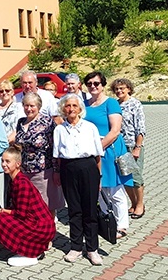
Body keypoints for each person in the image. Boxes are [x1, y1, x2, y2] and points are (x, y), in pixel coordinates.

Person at [54, 94, 104, 265]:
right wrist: (58, 173)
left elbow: (98, 155)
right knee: (74, 210)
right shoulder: (59, 129)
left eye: (74, 105)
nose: (71, 109)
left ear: (80, 108)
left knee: (90, 210)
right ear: (63, 109)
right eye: (68, 106)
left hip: (89, 168)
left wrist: (99, 177)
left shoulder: (90, 128)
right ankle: (75, 247)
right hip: (68, 169)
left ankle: (92, 249)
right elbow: (58, 156)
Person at [0, 145, 56, 267]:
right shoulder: (15, 180)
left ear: (18, 164)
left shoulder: (22, 183)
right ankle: (35, 248)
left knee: (1, 219)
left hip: (41, 227)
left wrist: (1, 211)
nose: (4, 164)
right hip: (38, 224)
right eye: (2, 161)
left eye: (8, 161)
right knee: (1, 217)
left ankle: (30, 253)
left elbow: (21, 214)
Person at [84, 71, 132, 240]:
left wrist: (98, 147)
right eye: (89, 84)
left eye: (96, 83)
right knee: (99, 188)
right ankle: (106, 220)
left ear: (102, 85)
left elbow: (115, 130)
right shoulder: (84, 104)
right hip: (91, 151)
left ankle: (122, 225)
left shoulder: (111, 103)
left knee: (115, 189)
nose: (93, 86)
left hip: (109, 150)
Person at [15, 92, 64, 221]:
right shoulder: (20, 122)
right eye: (26, 105)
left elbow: (54, 147)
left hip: (43, 171)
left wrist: (56, 171)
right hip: (25, 171)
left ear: (39, 106)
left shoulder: (47, 122)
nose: (29, 109)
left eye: (32, 106)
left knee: (46, 206)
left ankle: (48, 237)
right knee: (29, 207)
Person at [111, 78, 146, 219]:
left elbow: (141, 127)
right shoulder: (116, 105)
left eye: (122, 88)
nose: (119, 91)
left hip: (132, 145)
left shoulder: (135, 104)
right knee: (124, 176)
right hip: (119, 145)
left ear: (129, 89)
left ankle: (140, 205)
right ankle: (133, 203)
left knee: (136, 177)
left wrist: (137, 147)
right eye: (117, 89)